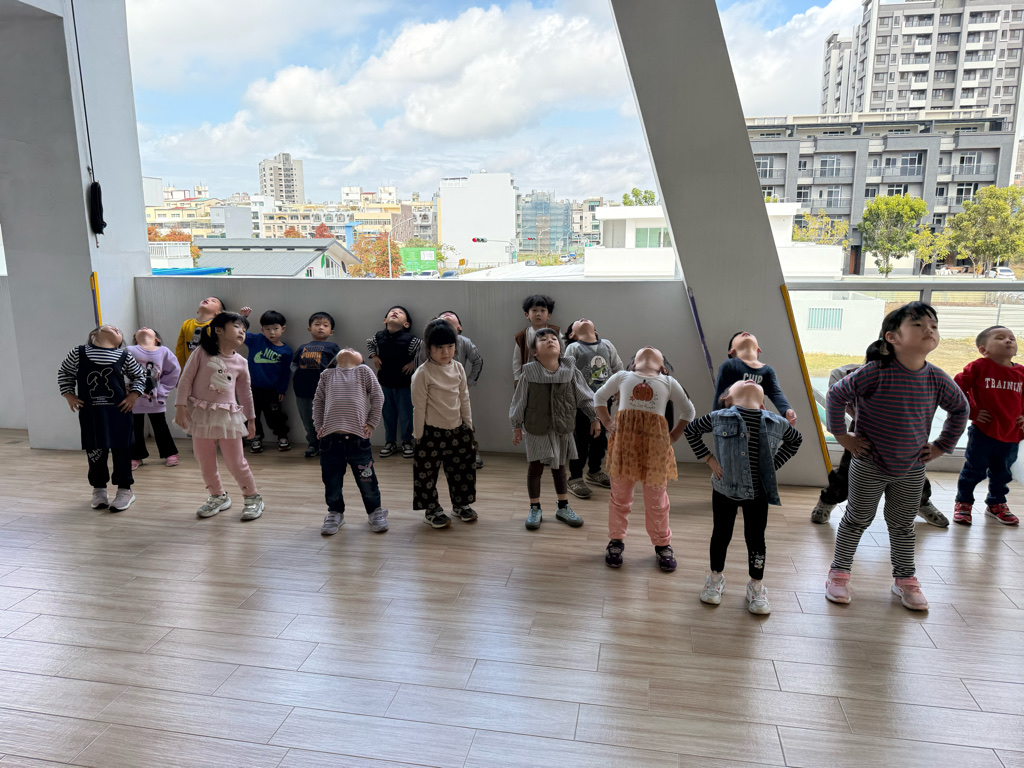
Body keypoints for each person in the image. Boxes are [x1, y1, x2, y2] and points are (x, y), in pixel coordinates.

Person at [824, 302, 967, 611]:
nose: (929, 329)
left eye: (933, 325)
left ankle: (905, 579)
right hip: (869, 464)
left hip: (912, 468)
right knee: (856, 519)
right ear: (892, 337)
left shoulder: (937, 378)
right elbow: (836, 395)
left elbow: (960, 408)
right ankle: (839, 574)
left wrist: (941, 446)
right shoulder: (875, 372)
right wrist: (843, 436)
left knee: (902, 525)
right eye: (918, 324)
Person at [685, 380, 802, 614]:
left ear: (762, 404)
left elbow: (795, 440)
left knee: (756, 540)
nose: (749, 380)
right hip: (724, 490)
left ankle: (756, 585)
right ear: (727, 398)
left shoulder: (776, 422)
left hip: (758, 494)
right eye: (740, 381)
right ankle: (715, 578)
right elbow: (691, 430)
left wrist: (772, 466)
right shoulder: (718, 417)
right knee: (721, 535)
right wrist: (709, 459)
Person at [811, 362, 949, 528]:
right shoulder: (844, 376)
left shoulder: (910, 377)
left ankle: (922, 502)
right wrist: (845, 436)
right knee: (848, 472)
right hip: (864, 432)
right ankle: (828, 499)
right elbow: (837, 404)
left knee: (910, 473)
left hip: (903, 433)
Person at [595, 346, 694, 572]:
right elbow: (599, 397)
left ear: (663, 367)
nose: (648, 348)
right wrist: (607, 422)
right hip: (624, 450)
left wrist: (673, 436)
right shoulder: (622, 377)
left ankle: (662, 545)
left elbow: (689, 411)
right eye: (642, 350)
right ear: (633, 365)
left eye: (655, 350)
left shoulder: (668, 382)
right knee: (620, 498)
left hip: (655, 451)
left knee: (657, 501)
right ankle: (616, 541)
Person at [174, 312, 265, 522]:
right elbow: (186, 379)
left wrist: (251, 420)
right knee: (204, 461)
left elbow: (245, 393)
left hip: (228, 418)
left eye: (244, 329)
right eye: (237, 326)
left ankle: (252, 497)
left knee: (236, 462)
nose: (242, 331)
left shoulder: (241, 362)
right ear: (218, 330)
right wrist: (180, 406)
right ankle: (217, 496)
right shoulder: (201, 353)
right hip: (201, 416)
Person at [510, 327, 597, 530]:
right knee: (535, 468)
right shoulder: (529, 373)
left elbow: (585, 396)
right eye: (543, 340)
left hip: (562, 427)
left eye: (553, 339)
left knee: (560, 468)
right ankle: (535, 508)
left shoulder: (570, 371)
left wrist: (595, 418)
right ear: (535, 352)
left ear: (561, 347)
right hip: (536, 427)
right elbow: (519, 401)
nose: (550, 341)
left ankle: (563, 506)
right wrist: (516, 426)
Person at [58, 325, 147, 512]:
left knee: (122, 452)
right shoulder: (78, 352)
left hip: (120, 413)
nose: (115, 328)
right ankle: (99, 489)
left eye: (118, 330)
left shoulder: (124, 355)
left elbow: (139, 375)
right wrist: (69, 394)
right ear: (93, 334)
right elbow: (65, 372)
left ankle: (125, 490)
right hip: (91, 415)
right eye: (109, 327)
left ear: (119, 341)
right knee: (95, 452)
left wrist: (134, 395)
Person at [953, 325, 1024, 526]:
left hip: (1011, 433)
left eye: (1012, 338)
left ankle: (996, 503)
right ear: (984, 349)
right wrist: (972, 412)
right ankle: (964, 502)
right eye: (1000, 337)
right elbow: (956, 388)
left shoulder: (1021, 372)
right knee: (973, 470)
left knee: (1003, 473)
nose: (1008, 341)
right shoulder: (978, 367)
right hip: (983, 432)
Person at [313, 347, 389, 535]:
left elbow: (378, 397)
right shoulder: (327, 375)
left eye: (353, 349)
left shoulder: (363, 372)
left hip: (358, 441)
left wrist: (371, 423)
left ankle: (375, 511)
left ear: (361, 360)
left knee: (367, 481)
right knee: (332, 481)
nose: (349, 349)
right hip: (330, 441)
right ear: (335, 360)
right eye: (346, 348)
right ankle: (335, 512)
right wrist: (319, 425)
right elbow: (318, 401)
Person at [412, 319, 477, 528]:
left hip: (458, 430)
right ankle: (431, 509)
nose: (445, 352)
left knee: (462, 469)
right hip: (430, 433)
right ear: (429, 348)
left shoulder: (458, 368)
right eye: (439, 347)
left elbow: (464, 398)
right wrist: (418, 435)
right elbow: (419, 406)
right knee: (427, 474)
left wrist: (468, 426)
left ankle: (461, 504)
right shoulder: (423, 373)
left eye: (450, 346)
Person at [564, 318, 624, 500]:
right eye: (577, 321)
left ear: (595, 331)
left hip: (604, 402)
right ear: (572, 334)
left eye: (586, 319)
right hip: (582, 403)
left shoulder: (607, 345)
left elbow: (618, 368)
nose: (582, 318)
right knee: (581, 440)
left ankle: (594, 471)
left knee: (600, 439)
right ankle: (575, 477)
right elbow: (567, 373)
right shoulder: (573, 348)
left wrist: (619, 390)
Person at [417, 310, 485, 468]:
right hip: (433, 392)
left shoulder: (465, 343)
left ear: (459, 327)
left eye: (451, 316)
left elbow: (478, 361)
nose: (447, 315)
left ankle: (471, 451)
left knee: (464, 421)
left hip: (456, 392)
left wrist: (469, 382)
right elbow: (419, 365)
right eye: (443, 317)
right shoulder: (426, 344)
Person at [367, 305, 420, 459]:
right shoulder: (378, 336)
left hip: (405, 384)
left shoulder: (411, 339)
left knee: (406, 414)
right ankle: (390, 442)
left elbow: (423, 351)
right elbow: (369, 343)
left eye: (400, 312)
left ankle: (407, 442)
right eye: (392, 311)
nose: (395, 312)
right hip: (385, 383)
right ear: (385, 320)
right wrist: (374, 356)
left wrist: (413, 363)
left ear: (406, 324)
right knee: (388, 414)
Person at [713, 331, 797, 427]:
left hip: (757, 419)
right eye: (738, 335)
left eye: (750, 334)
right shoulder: (730, 365)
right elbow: (720, 394)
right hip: (734, 419)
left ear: (758, 350)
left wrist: (786, 410)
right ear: (731, 351)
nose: (745, 332)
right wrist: (717, 421)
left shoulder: (767, 371)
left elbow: (776, 393)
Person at [239, 308, 293, 453]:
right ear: (262, 329)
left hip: (272, 391)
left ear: (283, 329)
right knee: (252, 415)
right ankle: (255, 437)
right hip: (253, 388)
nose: (272, 332)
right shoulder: (256, 340)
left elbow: (285, 373)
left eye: (275, 328)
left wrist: (282, 390)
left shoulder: (286, 351)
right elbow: (239, 332)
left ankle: (282, 436)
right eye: (267, 329)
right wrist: (243, 317)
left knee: (275, 416)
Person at [127, 327, 181, 470]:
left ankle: (169, 453)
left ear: (157, 339)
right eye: (140, 329)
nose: (144, 328)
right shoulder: (128, 350)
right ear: (135, 338)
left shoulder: (164, 351)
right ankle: (135, 456)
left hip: (155, 397)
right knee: (134, 428)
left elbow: (174, 372)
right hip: (132, 398)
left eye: (148, 328)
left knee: (160, 426)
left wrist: (162, 391)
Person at [292, 312, 340, 458]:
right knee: (308, 419)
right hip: (303, 391)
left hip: (325, 391)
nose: (321, 328)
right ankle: (313, 443)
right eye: (317, 324)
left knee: (327, 419)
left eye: (325, 325)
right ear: (309, 329)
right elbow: (293, 365)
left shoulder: (333, 347)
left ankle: (328, 444)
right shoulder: (303, 347)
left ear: (331, 332)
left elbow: (339, 366)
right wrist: (300, 375)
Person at [512, 294, 560, 383]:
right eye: (534, 310)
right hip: (530, 377)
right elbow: (517, 359)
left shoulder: (555, 332)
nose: (538, 314)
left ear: (549, 315)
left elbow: (564, 352)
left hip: (553, 375)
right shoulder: (522, 336)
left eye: (543, 310)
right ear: (527, 315)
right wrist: (517, 378)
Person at [174, 296, 226, 369]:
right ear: (197, 310)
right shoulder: (187, 324)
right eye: (206, 299)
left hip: (209, 369)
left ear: (218, 313)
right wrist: (179, 371)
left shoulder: (216, 327)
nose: (207, 300)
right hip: (189, 370)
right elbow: (180, 350)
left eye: (213, 301)